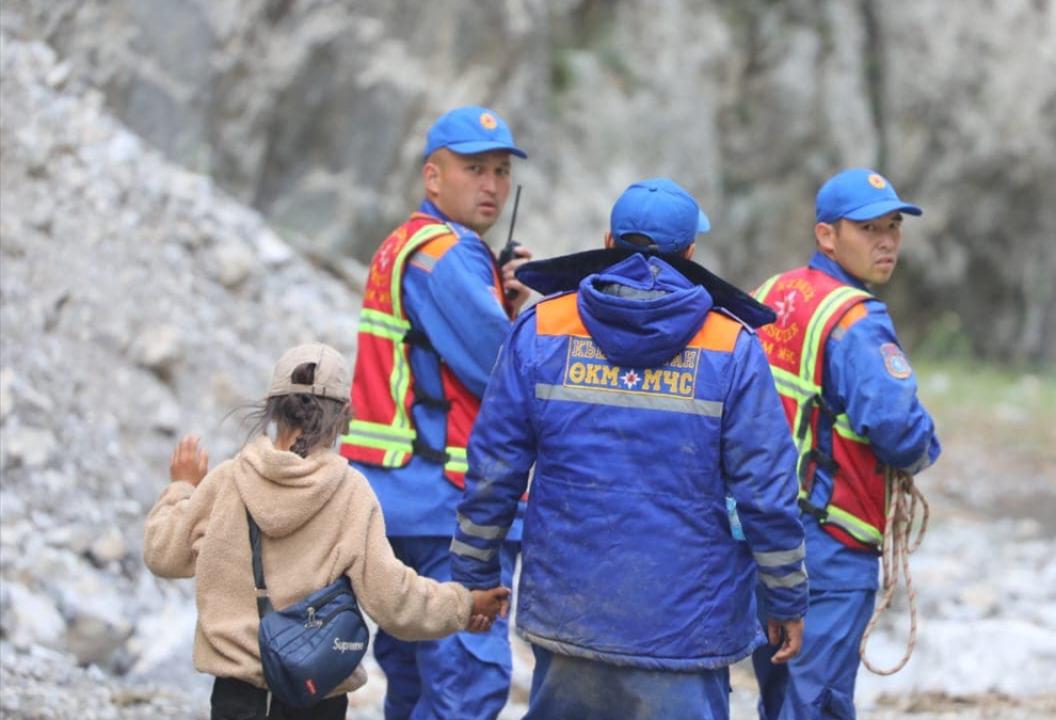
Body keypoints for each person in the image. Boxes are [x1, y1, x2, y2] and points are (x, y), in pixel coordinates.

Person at [450, 178, 809, 720]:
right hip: (686, 632)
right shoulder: (730, 345)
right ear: (690, 253)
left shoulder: (543, 328)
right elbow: (767, 493)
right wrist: (785, 598)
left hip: (569, 620)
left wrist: (474, 575)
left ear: (607, 241)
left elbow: (493, 471)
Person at [143, 343, 510, 720]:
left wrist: (182, 488)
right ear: (344, 417)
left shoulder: (226, 482)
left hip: (236, 698)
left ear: (271, 407)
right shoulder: (349, 493)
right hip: (316, 693)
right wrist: (464, 605)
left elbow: (163, 555)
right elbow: (394, 600)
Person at [336, 106, 531, 720]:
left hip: (392, 498)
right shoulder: (448, 254)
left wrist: (498, 293)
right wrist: (526, 316)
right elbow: (503, 368)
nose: (492, 185)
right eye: (474, 169)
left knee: (411, 673)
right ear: (433, 176)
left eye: (501, 171)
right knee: (466, 680)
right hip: (453, 503)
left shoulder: (403, 245)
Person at [749, 168, 942, 719]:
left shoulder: (770, 294)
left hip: (761, 536)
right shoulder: (855, 320)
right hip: (831, 545)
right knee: (818, 701)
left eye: (893, 227)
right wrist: (927, 447)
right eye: (869, 229)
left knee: (778, 694)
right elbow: (901, 432)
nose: (887, 242)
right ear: (827, 236)